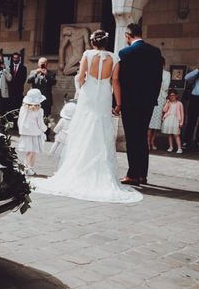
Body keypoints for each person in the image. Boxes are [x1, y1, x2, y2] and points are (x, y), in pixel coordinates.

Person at [34, 30, 143, 203]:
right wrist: (119, 103)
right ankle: (101, 169)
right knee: (101, 127)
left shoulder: (88, 54)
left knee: (84, 127)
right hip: (104, 95)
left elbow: (81, 76)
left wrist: (80, 89)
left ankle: (78, 167)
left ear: (93, 42)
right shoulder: (114, 58)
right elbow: (115, 82)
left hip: (88, 95)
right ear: (106, 42)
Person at [117, 23, 163, 186]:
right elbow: (158, 79)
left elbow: (120, 80)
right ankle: (142, 175)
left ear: (128, 35)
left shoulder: (125, 53)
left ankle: (133, 175)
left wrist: (118, 102)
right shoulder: (155, 52)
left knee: (132, 138)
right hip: (148, 102)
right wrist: (153, 98)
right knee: (142, 137)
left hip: (130, 103)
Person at [17, 88, 47, 176]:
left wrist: (21, 130)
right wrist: (45, 129)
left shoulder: (23, 108)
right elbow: (40, 123)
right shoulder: (39, 110)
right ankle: (29, 168)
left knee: (28, 152)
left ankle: (26, 167)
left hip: (25, 133)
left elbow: (20, 120)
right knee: (33, 152)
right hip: (35, 133)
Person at [147, 57, 170, 150]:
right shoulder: (150, 72)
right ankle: (147, 142)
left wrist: (158, 79)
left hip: (160, 98)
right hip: (150, 98)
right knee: (149, 123)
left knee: (156, 124)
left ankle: (153, 141)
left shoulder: (167, 74)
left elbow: (165, 87)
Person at [162, 89, 184, 154]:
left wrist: (181, 122)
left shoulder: (179, 103)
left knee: (176, 134)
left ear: (176, 96)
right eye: (170, 96)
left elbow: (182, 113)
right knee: (170, 134)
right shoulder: (169, 103)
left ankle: (179, 148)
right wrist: (167, 102)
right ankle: (171, 147)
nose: (172, 97)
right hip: (168, 119)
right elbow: (164, 110)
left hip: (176, 120)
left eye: (173, 95)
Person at [182, 67, 199, 151]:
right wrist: (198, 69)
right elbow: (186, 77)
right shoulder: (197, 73)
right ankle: (186, 141)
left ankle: (198, 141)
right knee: (191, 121)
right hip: (195, 98)